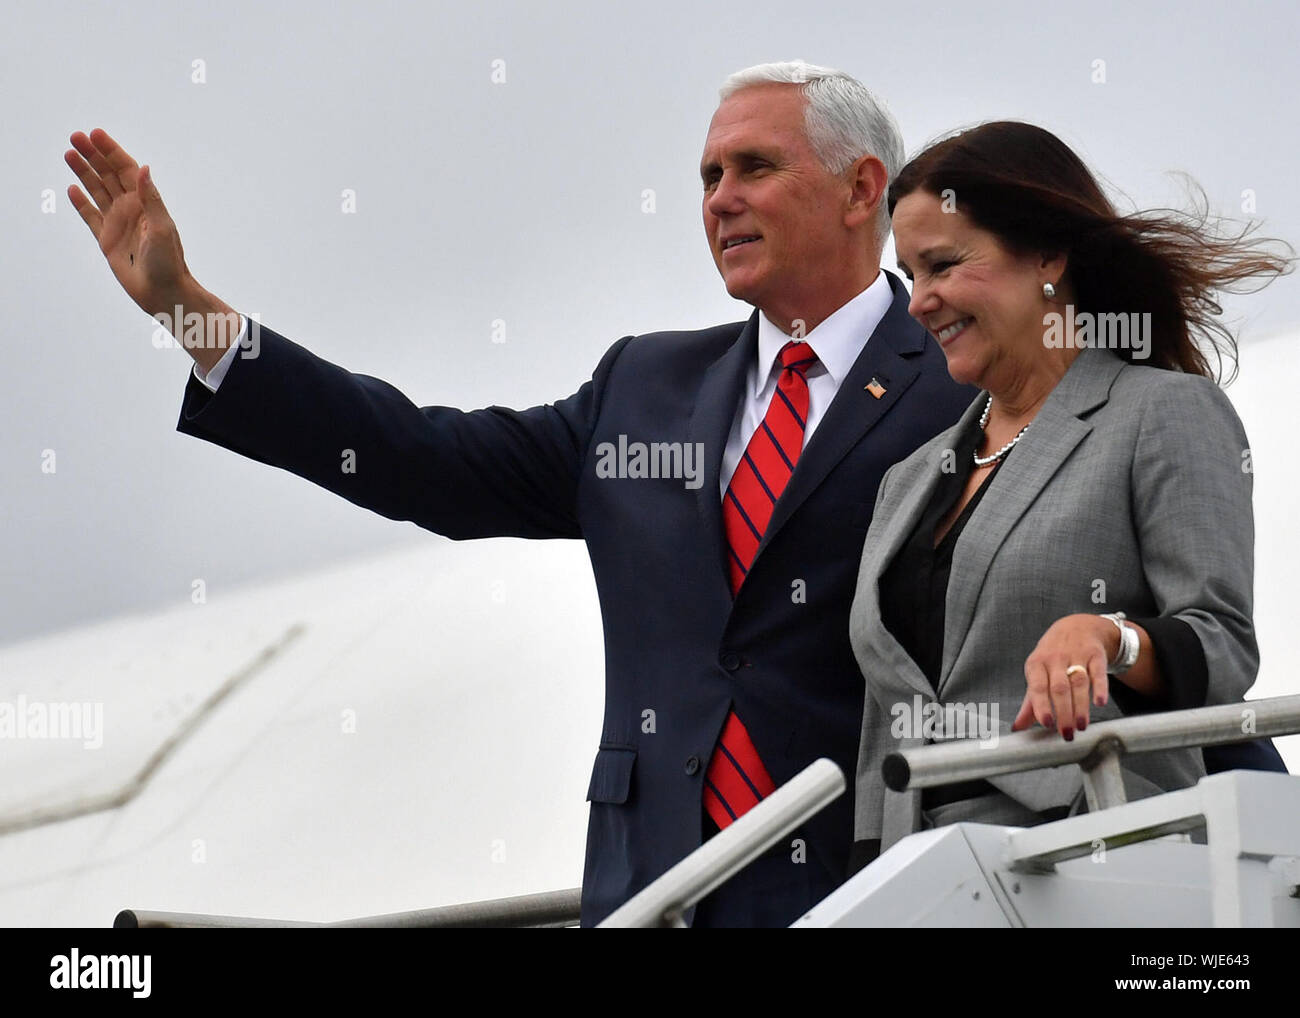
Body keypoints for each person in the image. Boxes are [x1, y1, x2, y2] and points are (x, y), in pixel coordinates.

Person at [65, 61, 975, 927]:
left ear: (862, 191)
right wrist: (185, 307)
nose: (720, 198)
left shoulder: (963, 384)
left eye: (755, 168)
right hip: (653, 892)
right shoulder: (644, 386)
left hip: (874, 886)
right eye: (708, 175)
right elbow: (425, 459)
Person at [847, 121, 1293, 864]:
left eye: (945, 265)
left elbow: (1222, 644)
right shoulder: (907, 481)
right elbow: (881, 725)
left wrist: (1107, 637)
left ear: (1049, 255)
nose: (920, 300)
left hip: (1096, 855)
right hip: (922, 878)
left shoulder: (1161, 412)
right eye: (911, 274)